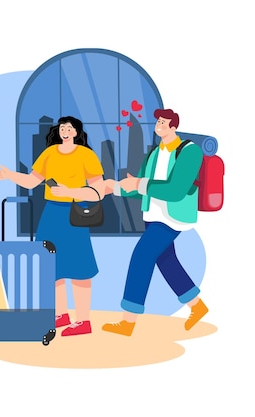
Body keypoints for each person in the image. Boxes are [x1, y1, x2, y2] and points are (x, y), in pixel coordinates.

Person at [0, 116, 110, 336]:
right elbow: (31, 181)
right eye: (62, 128)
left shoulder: (86, 155)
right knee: (50, 266)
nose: (65, 131)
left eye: (69, 128)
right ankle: (61, 314)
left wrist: (70, 192)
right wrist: (10, 175)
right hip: (51, 213)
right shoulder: (48, 153)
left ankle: (83, 320)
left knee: (79, 267)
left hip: (75, 213)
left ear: (76, 132)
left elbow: (99, 191)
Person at [102, 108, 208, 336]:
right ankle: (197, 306)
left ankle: (128, 321)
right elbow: (140, 187)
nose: (158, 124)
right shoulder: (153, 154)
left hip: (173, 217)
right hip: (153, 216)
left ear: (173, 127)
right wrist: (116, 187)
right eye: (157, 121)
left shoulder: (190, 152)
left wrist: (139, 183)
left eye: (163, 121)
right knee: (167, 261)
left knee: (141, 256)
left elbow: (176, 190)